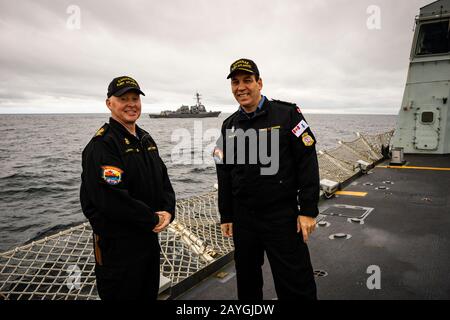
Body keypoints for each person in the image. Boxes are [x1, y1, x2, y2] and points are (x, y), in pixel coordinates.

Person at [214, 59, 319, 300]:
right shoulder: (229, 125)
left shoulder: (287, 114)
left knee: (295, 281)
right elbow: (224, 172)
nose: (241, 87)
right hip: (243, 218)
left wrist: (308, 210)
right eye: (236, 82)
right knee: (247, 281)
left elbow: (307, 161)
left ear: (259, 83)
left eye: (247, 81)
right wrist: (226, 214)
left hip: (281, 215)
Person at [80, 76, 175, 300]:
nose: (131, 104)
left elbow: (164, 181)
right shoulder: (102, 145)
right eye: (123, 99)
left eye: (135, 98)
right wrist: (152, 219)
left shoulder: (146, 139)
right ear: (109, 103)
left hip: (148, 242)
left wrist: (168, 211)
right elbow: (110, 199)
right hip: (118, 250)